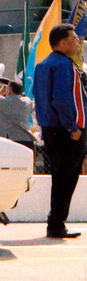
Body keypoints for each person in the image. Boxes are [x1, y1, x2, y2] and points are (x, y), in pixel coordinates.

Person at [32, 23, 87, 239]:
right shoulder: (64, 65)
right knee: (67, 177)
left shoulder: (43, 64)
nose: (77, 41)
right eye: (73, 38)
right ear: (62, 43)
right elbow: (62, 99)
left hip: (50, 129)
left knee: (59, 176)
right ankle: (56, 223)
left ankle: (56, 222)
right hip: (67, 131)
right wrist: (72, 127)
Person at [0, 80, 34, 149]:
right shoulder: (27, 101)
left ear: (9, 91)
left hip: (9, 140)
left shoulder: (1, 101)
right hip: (26, 139)